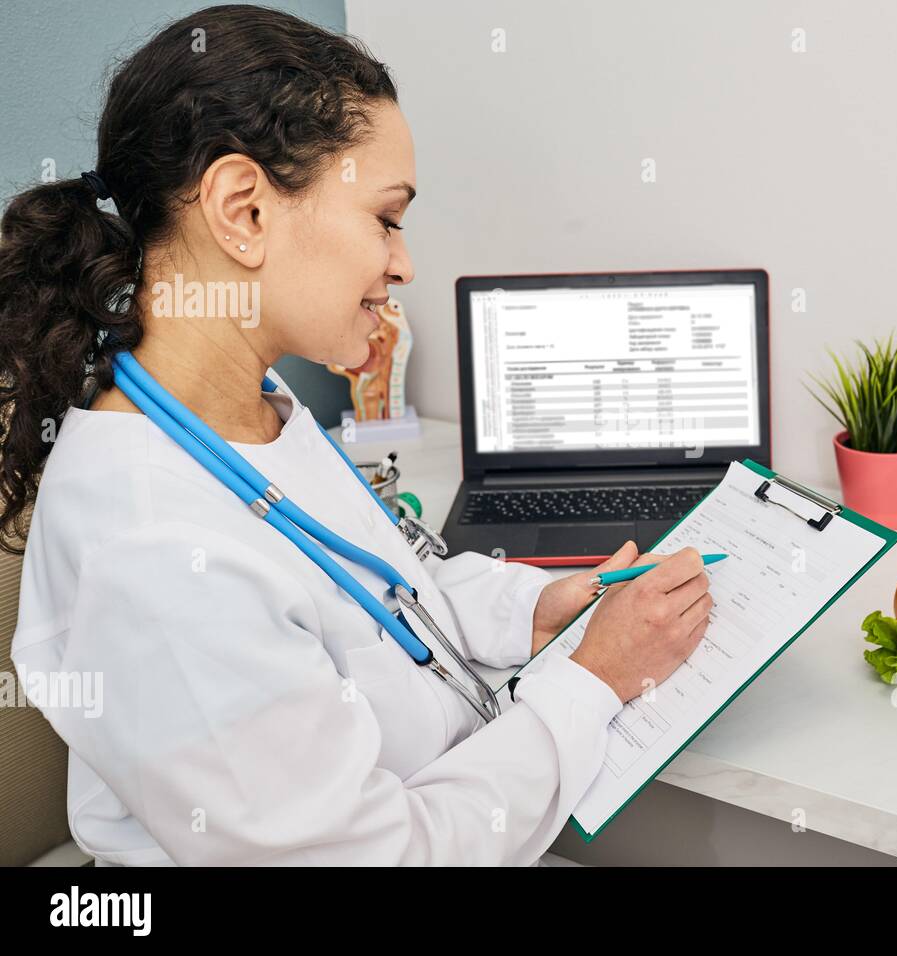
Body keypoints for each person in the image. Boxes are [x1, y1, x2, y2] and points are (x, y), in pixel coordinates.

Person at [0, 4, 713, 866]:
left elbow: (388, 595)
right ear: (244, 212)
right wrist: (592, 681)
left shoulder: (248, 416)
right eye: (385, 217)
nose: (403, 262)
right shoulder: (151, 546)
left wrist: (532, 611)